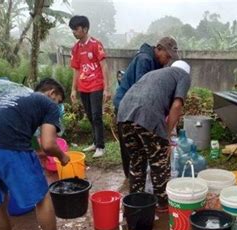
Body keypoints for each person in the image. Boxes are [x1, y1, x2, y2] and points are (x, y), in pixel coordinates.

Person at [0, 79, 72, 230]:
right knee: (42, 197)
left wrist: (36, 152)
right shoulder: (48, 104)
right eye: (59, 101)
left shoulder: (12, 97)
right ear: (52, 93)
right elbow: (49, 144)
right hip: (9, 148)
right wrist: (62, 157)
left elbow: (12, 126)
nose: (58, 106)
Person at [117, 60, 191, 211]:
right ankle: (162, 204)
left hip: (123, 114)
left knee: (137, 160)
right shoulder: (183, 75)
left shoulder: (156, 73)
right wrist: (166, 136)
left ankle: (136, 202)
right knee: (160, 161)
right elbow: (177, 106)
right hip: (146, 115)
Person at [113, 37, 179, 178]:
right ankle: (131, 180)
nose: (168, 61)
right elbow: (143, 91)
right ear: (159, 48)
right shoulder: (145, 60)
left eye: (170, 59)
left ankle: (136, 178)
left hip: (136, 107)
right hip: (126, 106)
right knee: (131, 148)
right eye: (167, 56)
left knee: (140, 147)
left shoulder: (156, 63)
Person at [69, 15, 111, 158]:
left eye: (76, 29)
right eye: (72, 30)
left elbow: (104, 66)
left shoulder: (95, 44)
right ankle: (95, 142)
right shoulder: (75, 49)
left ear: (85, 29)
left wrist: (107, 88)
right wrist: (73, 89)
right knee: (90, 117)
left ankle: (101, 146)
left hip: (96, 85)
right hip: (83, 87)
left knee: (96, 116)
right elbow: (76, 70)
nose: (74, 32)